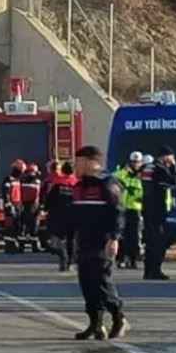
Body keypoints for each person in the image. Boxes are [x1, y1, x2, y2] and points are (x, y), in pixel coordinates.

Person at [71, 145, 128, 340]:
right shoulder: (79, 186)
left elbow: (118, 212)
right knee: (87, 283)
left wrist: (114, 238)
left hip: (102, 241)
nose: (75, 166)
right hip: (84, 241)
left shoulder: (107, 183)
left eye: (78, 162)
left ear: (89, 162)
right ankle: (96, 324)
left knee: (101, 282)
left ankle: (119, 318)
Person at [143, 146, 176, 280]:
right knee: (158, 240)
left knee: (149, 240)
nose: (172, 159)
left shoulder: (148, 167)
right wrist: (174, 166)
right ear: (165, 156)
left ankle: (148, 270)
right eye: (171, 156)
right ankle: (155, 270)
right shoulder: (159, 169)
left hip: (147, 207)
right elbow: (174, 181)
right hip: (157, 208)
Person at [44, 161, 78, 271]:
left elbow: (48, 199)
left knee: (56, 237)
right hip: (73, 216)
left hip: (57, 216)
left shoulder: (57, 184)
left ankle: (63, 256)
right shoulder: (76, 184)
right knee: (71, 239)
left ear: (63, 171)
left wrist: (45, 209)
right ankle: (71, 262)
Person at [113, 151, 144, 270]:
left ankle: (133, 259)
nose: (136, 165)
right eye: (134, 162)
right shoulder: (121, 173)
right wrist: (125, 173)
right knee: (121, 234)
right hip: (122, 208)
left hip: (136, 209)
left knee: (135, 236)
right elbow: (113, 180)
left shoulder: (142, 176)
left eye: (138, 162)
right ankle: (122, 258)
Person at [2, 159, 25, 254]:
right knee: (10, 226)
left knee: (17, 226)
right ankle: (9, 246)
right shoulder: (9, 179)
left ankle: (15, 245)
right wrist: (8, 204)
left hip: (18, 204)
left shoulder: (18, 180)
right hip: (11, 204)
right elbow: (5, 192)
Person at [20, 163, 43, 249]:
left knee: (23, 225)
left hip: (23, 205)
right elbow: (39, 194)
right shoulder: (37, 182)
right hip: (34, 205)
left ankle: (21, 245)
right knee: (34, 226)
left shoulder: (21, 181)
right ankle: (34, 246)